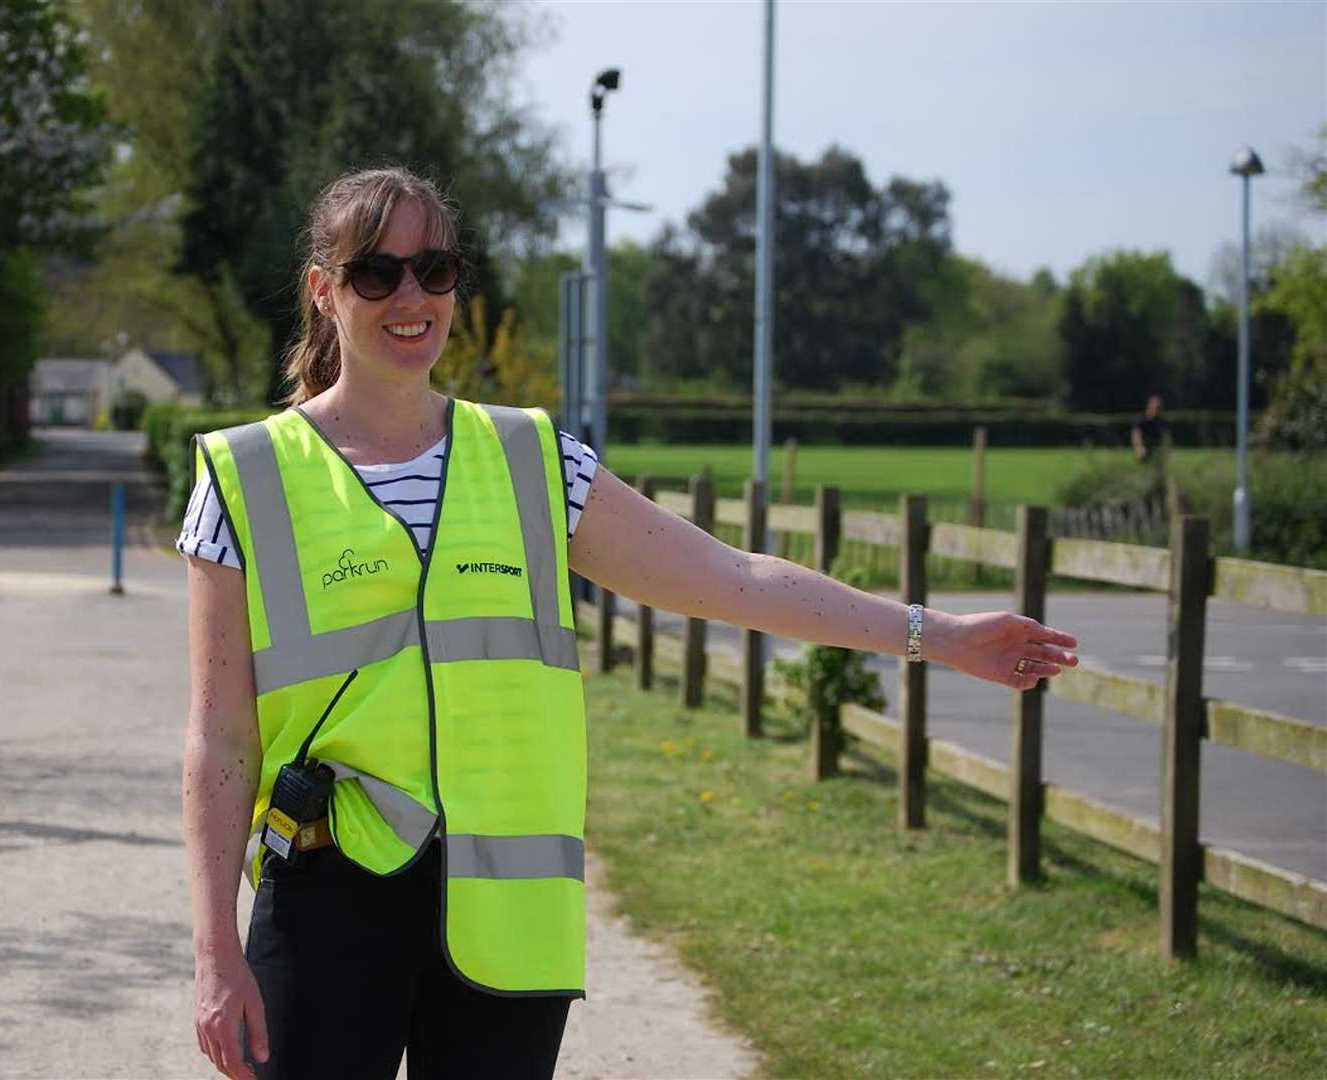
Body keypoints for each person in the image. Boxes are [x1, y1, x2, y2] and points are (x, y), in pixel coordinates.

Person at [179, 166, 1081, 1080]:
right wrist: (217, 956)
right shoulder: (244, 477)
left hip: (508, 913)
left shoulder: (533, 462)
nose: (410, 297)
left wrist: (938, 634)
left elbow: (730, 579)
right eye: (376, 272)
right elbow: (219, 738)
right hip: (328, 897)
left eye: (435, 269)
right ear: (323, 291)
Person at [1131, 393, 1165, 462]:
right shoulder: (1141, 420)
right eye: (1154, 407)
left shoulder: (1159, 421)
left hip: (1155, 449)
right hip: (1144, 448)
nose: (1156, 409)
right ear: (1149, 406)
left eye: (1158, 407)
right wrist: (1139, 448)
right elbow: (1135, 434)